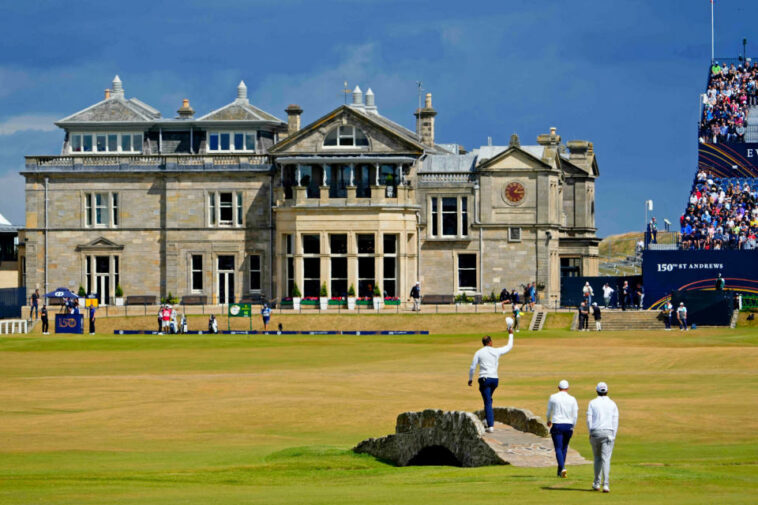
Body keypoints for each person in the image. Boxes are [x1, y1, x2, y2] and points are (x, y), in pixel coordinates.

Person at [468, 328, 515, 433]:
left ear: (483, 343)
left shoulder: (479, 352)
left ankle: (490, 425)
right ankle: (486, 419)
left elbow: (472, 367)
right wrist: (511, 334)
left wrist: (470, 379)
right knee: (489, 399)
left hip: (484, 379)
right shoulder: (496, 351)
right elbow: (509, 347)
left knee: (488, 402)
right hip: (495, 380)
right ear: (490, 342)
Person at [587, 382, 619, 493]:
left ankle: (596, 483)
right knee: (606, 459)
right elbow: (615, 421)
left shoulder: (592, 403)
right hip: (608, 432)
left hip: (595, 432)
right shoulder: (612, 404)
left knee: (597, 458)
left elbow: (589, 419)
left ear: (596, 391)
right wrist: (613, 435)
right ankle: (605, 485)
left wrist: (590, 431)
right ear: (607, 391)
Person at [546, 379, 579, 478]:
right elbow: (575, 414)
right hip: (568, 425)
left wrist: (548, 420)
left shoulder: (553, 397)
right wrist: (573, 426)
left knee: (558, 448)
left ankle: (563, 467)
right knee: (564, 448)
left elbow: (549, 411)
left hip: (557, 424)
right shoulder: (572, 399)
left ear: (558, 388)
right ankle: (560, 471)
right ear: (568, 388)